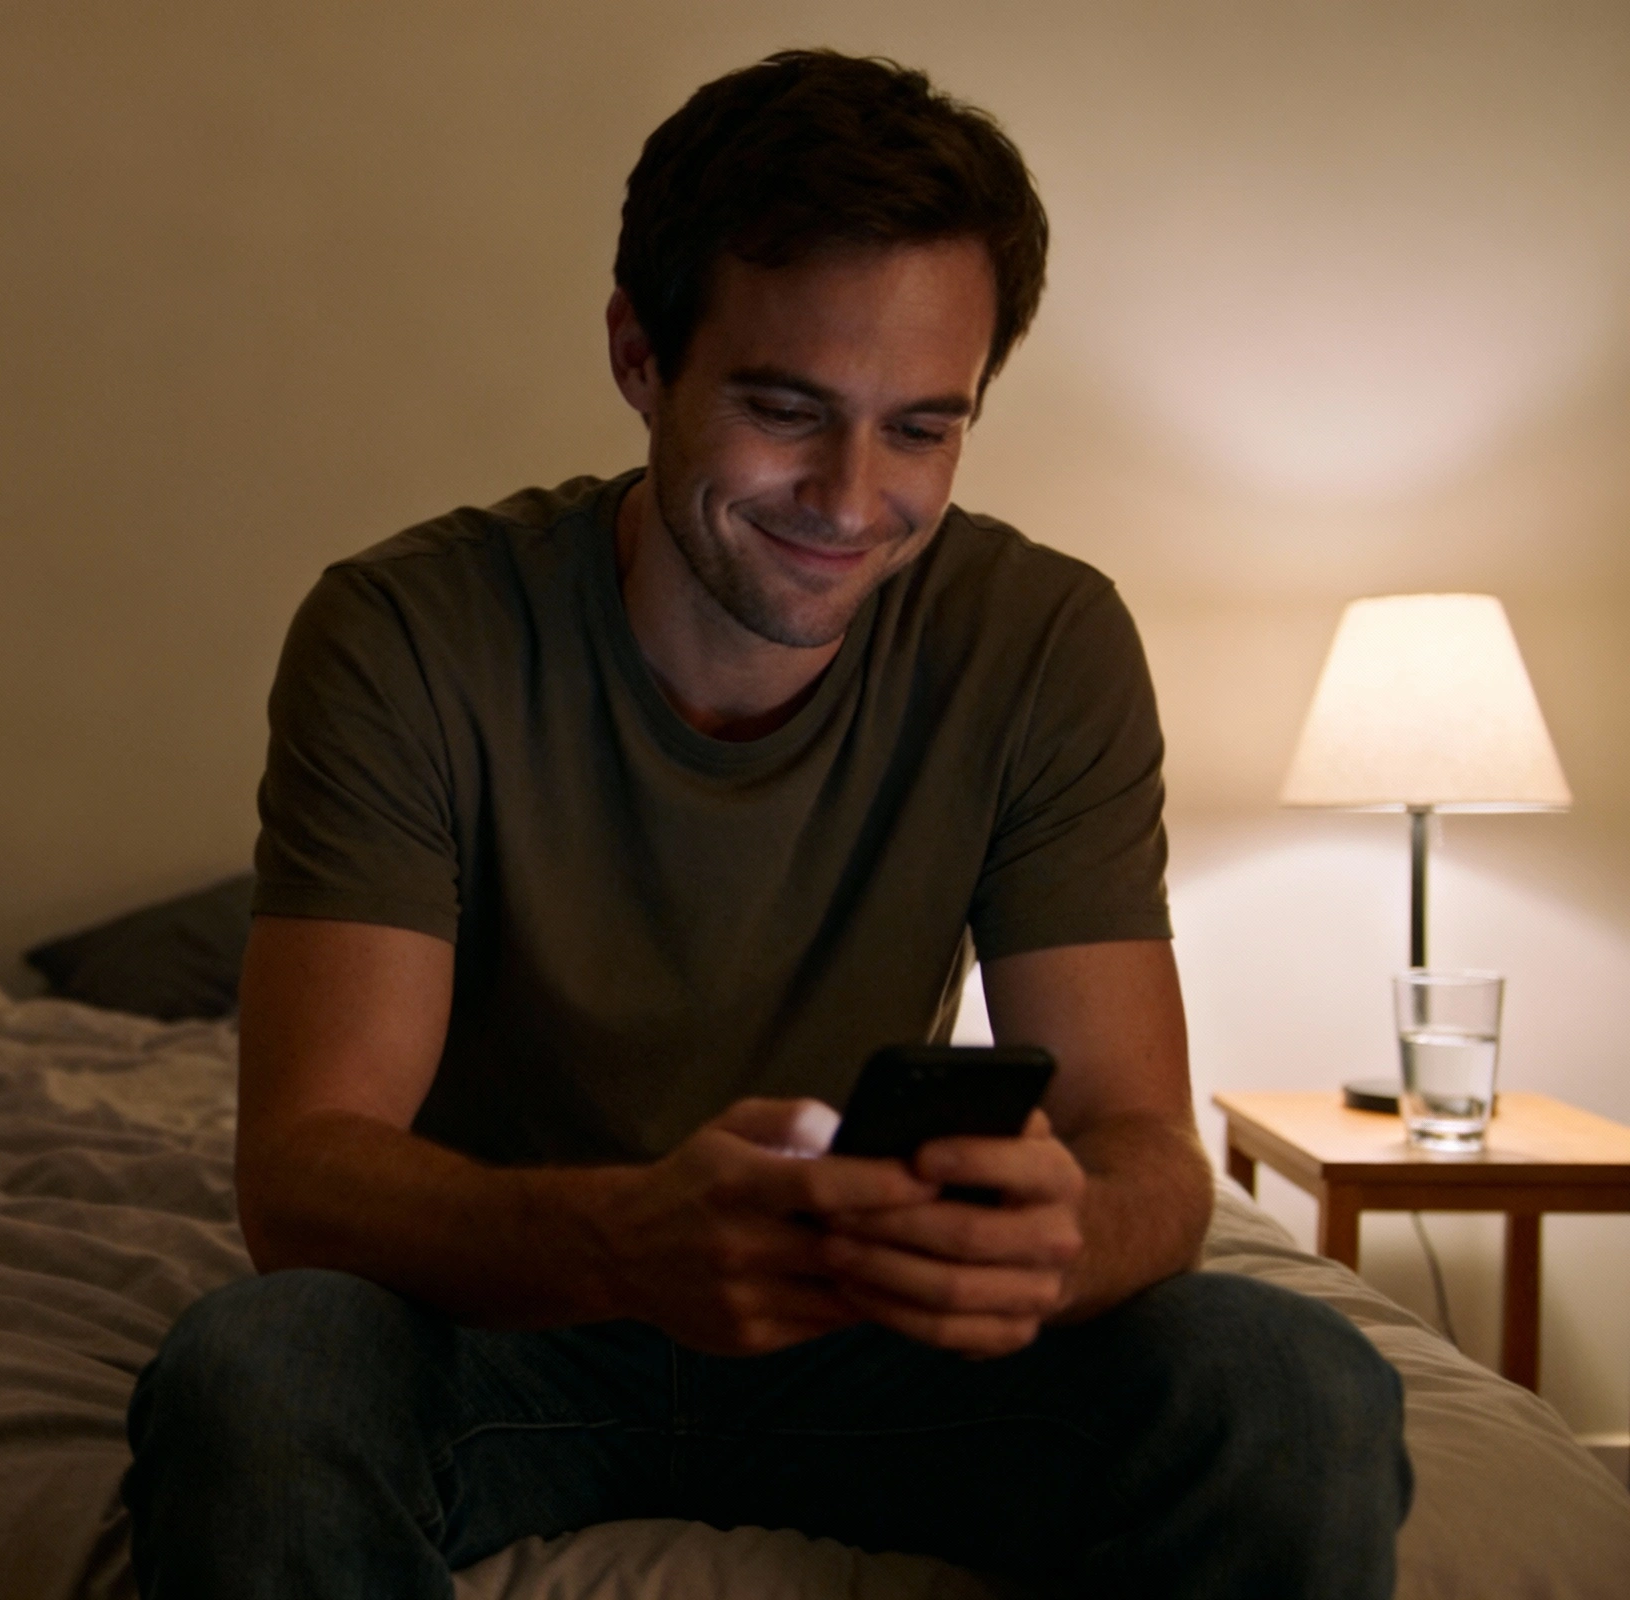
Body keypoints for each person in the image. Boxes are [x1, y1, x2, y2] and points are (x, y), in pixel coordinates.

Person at [122, 48, 1411, 1600]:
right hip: (507, 1331)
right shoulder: (407, 632)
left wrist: (1063, 1235)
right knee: (257, 1370)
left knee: (1297, 1385)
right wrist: (626, 1239)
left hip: (888, 1349)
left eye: (924, 428)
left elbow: (1149, 1150)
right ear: (639, 357)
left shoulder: (1043, 642)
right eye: (787, 409)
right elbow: (307, 1178)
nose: (851, 498)